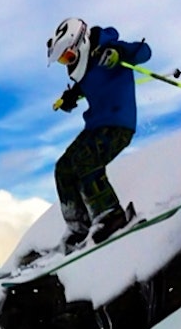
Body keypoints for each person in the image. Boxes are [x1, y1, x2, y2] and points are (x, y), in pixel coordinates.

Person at [46, 17, 151, 251]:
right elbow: (84, 86)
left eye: (68, 57)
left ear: (81, 42)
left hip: (118, 125)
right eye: (63, 59)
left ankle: (111, 216)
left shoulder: (107, 50)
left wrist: (118, 53)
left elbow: (144, 52)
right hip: (94, 127)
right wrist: (69, 98)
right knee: (64, 167)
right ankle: (77, 228)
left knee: (86, 162)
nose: (67, 63)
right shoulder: (85, 69)